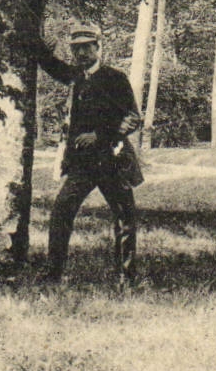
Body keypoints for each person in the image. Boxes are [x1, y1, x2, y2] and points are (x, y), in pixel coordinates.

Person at [37, 23, 143, 283]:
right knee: (61, 211)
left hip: (112, 160)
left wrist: (101, 135)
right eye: (76, 49)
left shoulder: (115, 78)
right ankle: (53, 273)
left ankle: (126, 276)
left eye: (86, 47)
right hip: (82, 164)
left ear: (98, 48)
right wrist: (43, 51)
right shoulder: (76, 77)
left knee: (124, 216)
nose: (81, 53)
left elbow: (133, 117)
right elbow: (52, 66)